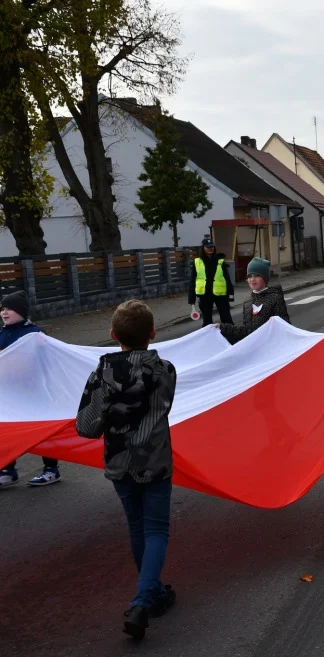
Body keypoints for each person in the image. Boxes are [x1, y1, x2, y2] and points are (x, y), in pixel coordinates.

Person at [75, 300, 178, 640]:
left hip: (120, 460)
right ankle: (145, 599)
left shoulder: (101, 374)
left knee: (137, 527)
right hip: (156, 458)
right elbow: (161, 407)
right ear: (152, 333)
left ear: (112, 335)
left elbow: (87, 427)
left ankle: (151, 595)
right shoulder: (166, 370)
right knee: (156, 531)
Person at [0, 290, 62, 489]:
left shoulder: (35, 334)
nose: (4, 312)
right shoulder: (2, 334)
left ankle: (51, 470)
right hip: (10, 394)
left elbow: (50, 360)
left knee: (43, 432)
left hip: (35, 392)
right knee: (7, 432)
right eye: (2, 308)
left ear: (21, 311)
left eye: (9, 308)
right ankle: (8, 471)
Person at [218, 258, 290, 344]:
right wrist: (222, 327)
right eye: (249, 276)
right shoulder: (247, 302)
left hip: (270, 348)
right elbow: (247, 331)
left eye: (257, 276)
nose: (252, 279)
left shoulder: (275, 298)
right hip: (255, 349)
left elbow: (285, 327)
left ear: (265, 278)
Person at [188, 237, 234, 327]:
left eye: (212, 247)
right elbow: (193, 280)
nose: (210, 249)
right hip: (205, 295)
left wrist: (231, 295)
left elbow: (227, 278)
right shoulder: (197, 262)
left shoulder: (220, 261)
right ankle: (209, 339)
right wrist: (191, 298)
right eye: (208, 247)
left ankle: (232, 339)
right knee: (207, 322)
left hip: (221, 295)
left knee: (227, 319)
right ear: (203, 248)